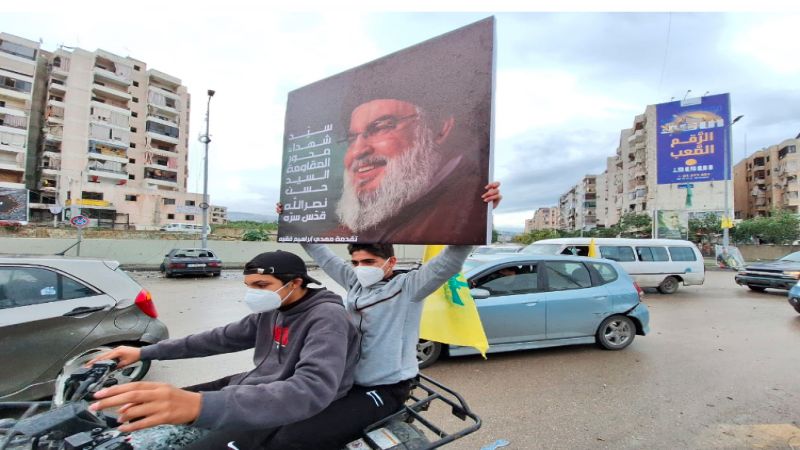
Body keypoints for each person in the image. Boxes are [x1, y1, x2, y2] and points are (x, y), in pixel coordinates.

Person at [271, 183, 501, 449]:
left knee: (297, 438)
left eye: (368, 262)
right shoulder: (354, 282)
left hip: (386, 388)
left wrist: (483, 213)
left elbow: (452, 257)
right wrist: (293, 221)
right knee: (282, 419)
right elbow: (321, 253)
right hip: (345, 380)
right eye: (356, 263)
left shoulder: (409, 287)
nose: (360, 269)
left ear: (390, 263)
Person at [86, 250, 360, 450]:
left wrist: (201, 405)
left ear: (296, 283)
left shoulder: (327, 318)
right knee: (144, 411)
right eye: (249, 286)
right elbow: (217, 339)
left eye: (262, 285)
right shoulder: (273, 309)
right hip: (256, 387)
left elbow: (311, 389)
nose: (253, 293)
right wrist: (144, 352)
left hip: (289, 405)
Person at [332, 97, 489, 244]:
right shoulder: (359, 224)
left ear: (440, 129)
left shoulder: (473, 208)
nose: (357, 151)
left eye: (381, 128)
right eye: (352, 139)